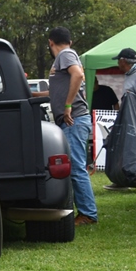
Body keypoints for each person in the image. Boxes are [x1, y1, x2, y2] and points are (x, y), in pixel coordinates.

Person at [38, 27, 98, 225]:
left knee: (76, 168)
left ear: (50, 42)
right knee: (74, 166)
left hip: (74, 119)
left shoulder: (65, 54)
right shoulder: (64, 57)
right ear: (70, 41)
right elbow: (54, 93)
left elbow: (78, 75)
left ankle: (88, 213)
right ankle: (85, 211)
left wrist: (68, 106)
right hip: (71, 121)